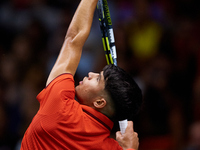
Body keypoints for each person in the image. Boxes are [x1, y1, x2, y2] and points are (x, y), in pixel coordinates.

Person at [20, 0, 142, 149]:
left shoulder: (60, 106)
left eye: (97, 79)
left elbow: (73, 38)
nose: (90, 73)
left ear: (99, 102)